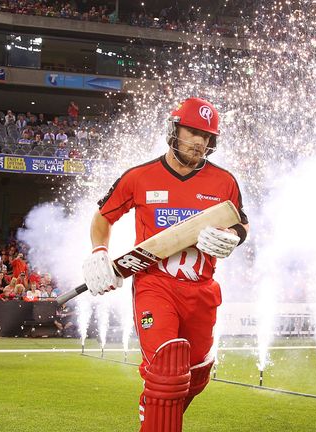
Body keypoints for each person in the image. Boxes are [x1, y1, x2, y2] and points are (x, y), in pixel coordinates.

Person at [81, 97, 249, 432]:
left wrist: (233, 236)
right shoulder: (139, 177)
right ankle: (157, 404)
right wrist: (100, 251)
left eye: (207, 136)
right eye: (193, 132)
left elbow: (241, 223)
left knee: (196, 375)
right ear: (174, 130)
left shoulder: (224, 182)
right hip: (155, 286)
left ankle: (153, 408)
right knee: (166, 372)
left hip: (202, 290)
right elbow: (103, 217)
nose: (200, 141)